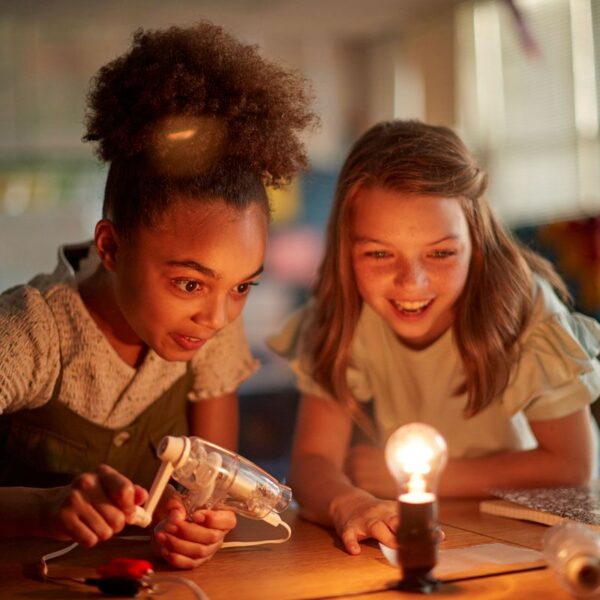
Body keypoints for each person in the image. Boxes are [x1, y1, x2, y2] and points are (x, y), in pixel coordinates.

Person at [0, 21, 316, 569]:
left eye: (242, 285)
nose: (217, 317)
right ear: (111, 247)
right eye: (189, 283)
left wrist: (197, 526)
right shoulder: (31, 333)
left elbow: (212, 490)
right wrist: (40, 507)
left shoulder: (210, 330)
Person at [268, 119, 600, 556]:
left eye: (441, 252)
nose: (411, 282)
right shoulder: (345, 317)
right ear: (346, 249)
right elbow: (312, 462)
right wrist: (349, 503)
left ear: (476, 243)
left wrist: (429, 477)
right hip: (429, 528)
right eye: (380, 253)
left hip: (542, 533)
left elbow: (572, 465)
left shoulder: (524, 311)